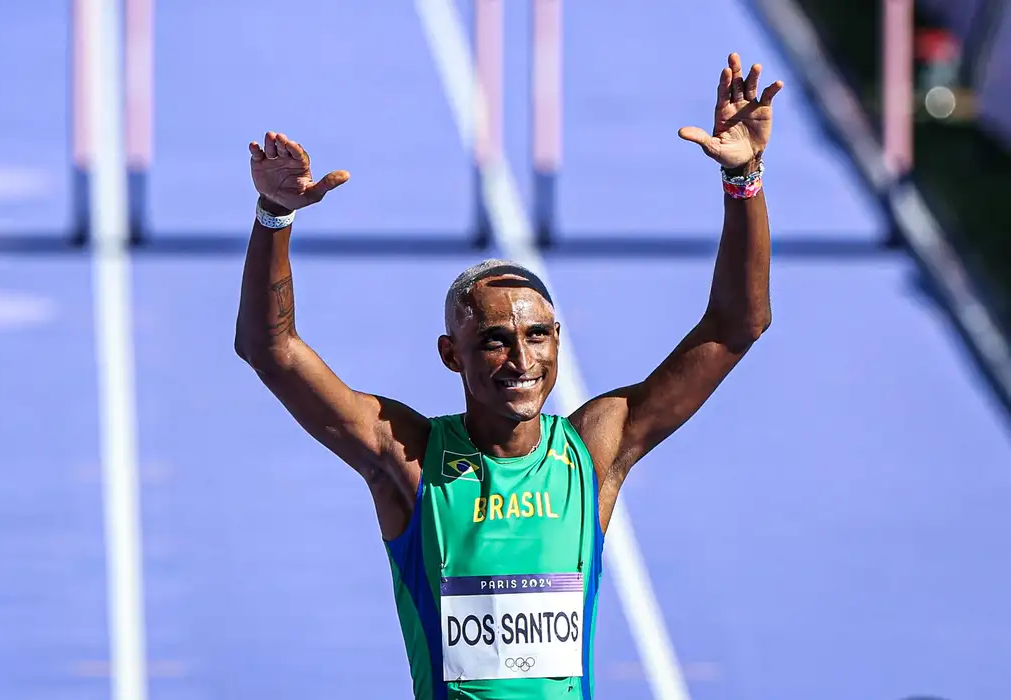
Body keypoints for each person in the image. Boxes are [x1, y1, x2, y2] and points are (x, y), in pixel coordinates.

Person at [235, 52, 782, 700]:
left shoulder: (594, 451)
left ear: (557, 340)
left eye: (537, 336)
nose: (522, 361)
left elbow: (736, 325)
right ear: (451, 354)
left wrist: (743, 177)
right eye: (495, 341)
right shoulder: (408, 458)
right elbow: (271, 350)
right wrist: (274, 215)